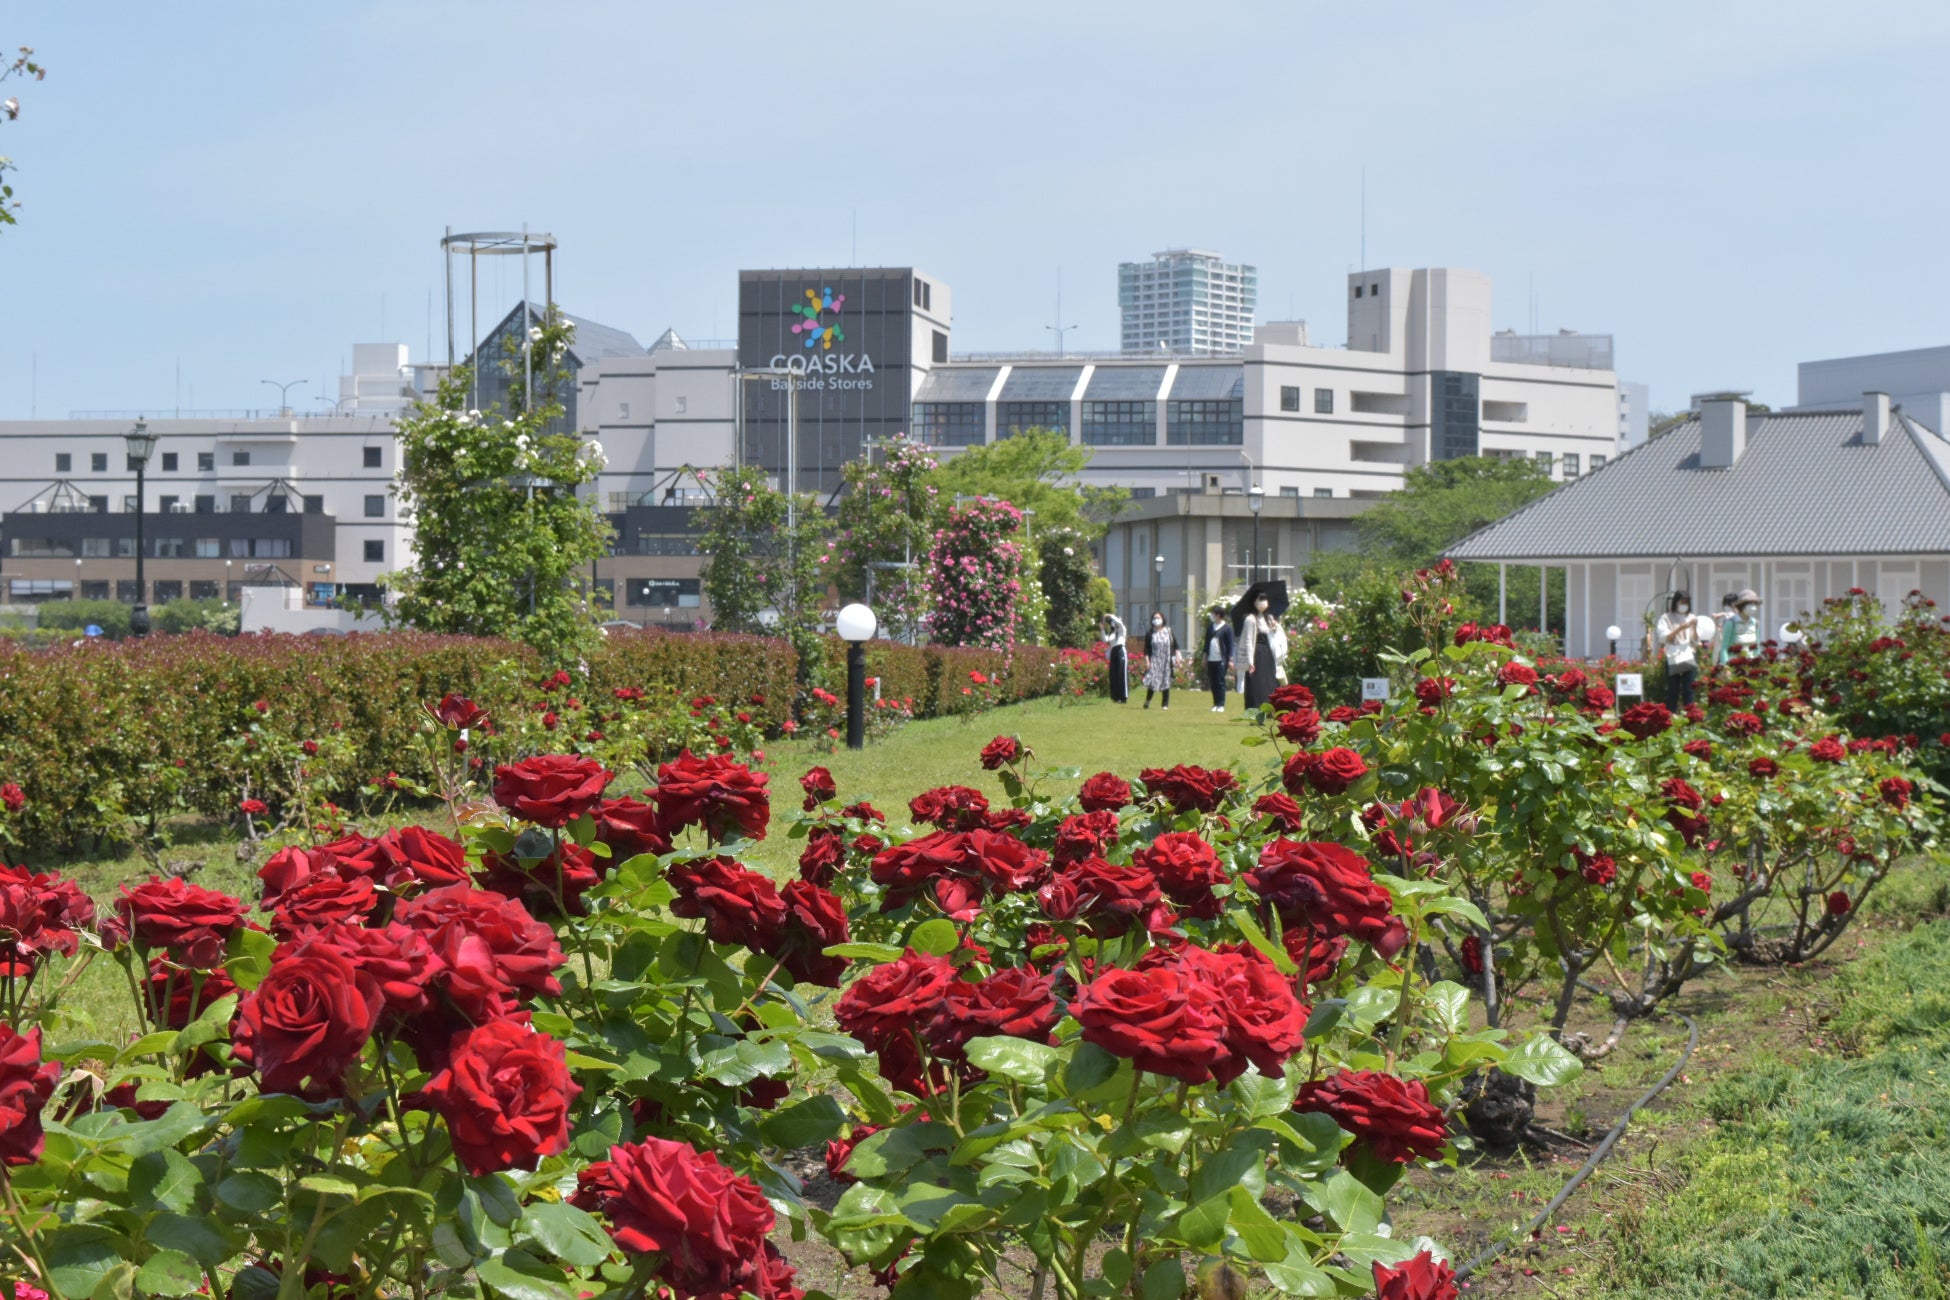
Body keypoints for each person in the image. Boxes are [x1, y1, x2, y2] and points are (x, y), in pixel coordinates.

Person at [1655, 590, 1706, 708]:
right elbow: (1663, 637)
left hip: (1688, 653)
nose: (1684, 604)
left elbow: (1696, 639)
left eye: (1686, 602)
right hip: (1674, 654)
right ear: (1676, 602)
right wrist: (1679, 629)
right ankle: (1670, 714)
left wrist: (1693, 627)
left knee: (1689, 688)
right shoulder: (1666, 617)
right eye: (1682, 601)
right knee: (1673, 688)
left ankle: (1690, 715)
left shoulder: (1692, 617)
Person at [1238, 594, 1280, 709]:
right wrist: (1250, 661)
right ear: (1254, 602)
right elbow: (1248, 641)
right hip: (1257, 652)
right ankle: (1255, 709)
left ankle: (1269, 709)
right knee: (1257, 683)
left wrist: (1275, 627)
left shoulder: (1269, 618)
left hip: (1268, 652)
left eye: (1265, 599)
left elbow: (1274, 636)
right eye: (1260, 599)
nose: (1264, 602)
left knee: (1269, 681)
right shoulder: (1250, 619)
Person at [1141, 612, 1180, 709]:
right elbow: (1146, 649)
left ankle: (1165, 705)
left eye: (1158, 618)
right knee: (1153, 682)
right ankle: (1147, 701)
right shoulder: (1150, 633)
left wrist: (1178, 657)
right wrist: (1147, 661)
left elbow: (1176, 646)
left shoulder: (1168, 631)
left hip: (1166, 661)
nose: (1156, 620)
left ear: (1163, 619)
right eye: (1154, 618)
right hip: (1155, 660)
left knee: (1166, 681)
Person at [1717, 588, 1763, 666]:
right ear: (1742, 605)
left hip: (1750, 664)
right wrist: (1726, 667)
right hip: (1734, 664)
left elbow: (1757, 646)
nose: (1753, 606)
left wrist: (1758, 663)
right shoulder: (1731, 623)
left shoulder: (1755, 623)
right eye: (1750, 603)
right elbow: (1724, 648)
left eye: (1754, 604)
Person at [1201, 606, 1234, 712]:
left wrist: (1230, 660)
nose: (1211, 616)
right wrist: (1204, 656)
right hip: (1211, 659)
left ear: (1218, 615)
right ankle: (1215, 703)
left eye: (1213, 614)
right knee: (1213, 681)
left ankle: (1221, 704)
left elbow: (1230, 645)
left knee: (1220, 681)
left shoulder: (1227, 628)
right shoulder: (1211, 627)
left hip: (1221, 659)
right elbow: (1206, 643)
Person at [1100, 613, 1129, 704]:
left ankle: (1123, 696)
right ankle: (1115, 696)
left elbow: (1119, 623)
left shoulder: (1122, 630)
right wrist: (1102, 629)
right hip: (1113, 651)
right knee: (1113, 673)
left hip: (1120, 650)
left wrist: (1109, 615)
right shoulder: (1112, 634)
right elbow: (1105, 640)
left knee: (1121, 673)